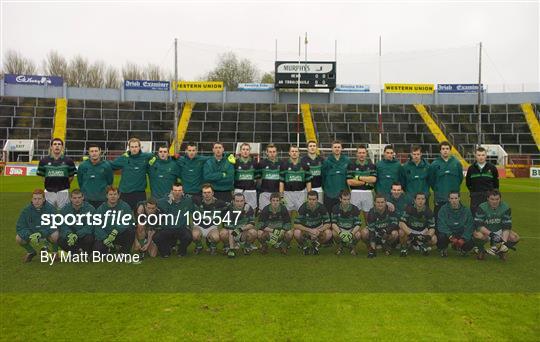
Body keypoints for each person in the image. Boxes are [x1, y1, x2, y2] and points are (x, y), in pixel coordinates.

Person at [473, 190, 519, 261]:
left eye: (497, 199)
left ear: (500, 199)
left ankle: (501, 251)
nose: (495, 202)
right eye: (492, 199)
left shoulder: (505, 207)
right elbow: (478, 225)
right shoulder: (482, 207)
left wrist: (504, 242)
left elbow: (506, 226)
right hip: (486, 231)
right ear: (488, 199)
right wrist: (492, 235)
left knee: (515, 237)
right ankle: (481, 250)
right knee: (477, 234)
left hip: (499, 230)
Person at [110, 138, 155, 210]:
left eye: (136, 147)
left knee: (140, 216)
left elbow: (158, 157)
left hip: (140, 193)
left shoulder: (146, 157)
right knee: (124, 216)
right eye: (132, 147)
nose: (134, 149)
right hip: (125, 193)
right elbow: (110, 166)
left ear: (140, 147)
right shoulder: (124, 158)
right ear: (129, 148)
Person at [16, 189, 58, 263]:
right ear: (32, 199)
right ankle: (31, 252)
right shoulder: (26, 210)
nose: (37, 201)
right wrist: (31, 235)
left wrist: (40, 233)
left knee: (56, 234)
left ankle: (55, 253)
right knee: (18, 238)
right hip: (32, 233)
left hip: (46, 234)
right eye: (35, 199)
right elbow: (20, 227)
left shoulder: (51, 209)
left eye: (39, 199)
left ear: (44, 199)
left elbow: (54, 225)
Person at [156, 182, 195, 257]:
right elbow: (151, 203)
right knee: (156, 237)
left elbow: (196, 207)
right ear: (171, 191)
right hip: (167, 228)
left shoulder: (188, 201)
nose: (177, 193)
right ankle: (166, 251)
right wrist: (141, 204)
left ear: (183, 191)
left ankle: (181, 251)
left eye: (179, 190)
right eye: (175, 190)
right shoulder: (163, 201)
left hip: (181, 228)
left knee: (189, 236)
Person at [94, 186, 135, 254]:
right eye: (110, 194)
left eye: (115, 194)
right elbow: (97, 226)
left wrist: (116, 230)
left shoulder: (125, 206)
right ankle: (111, 248)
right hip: (106, 235)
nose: (113, 197)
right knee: (97, 252)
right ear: (107, 196)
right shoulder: (101, 209)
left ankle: (124, 252)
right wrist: (105, 238)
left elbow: (129, 222)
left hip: (118, 234)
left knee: (131, 231)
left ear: (118, 195)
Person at [37, 138, 76, 209]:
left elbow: (71, 176)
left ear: (62, 147)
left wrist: (63, 184)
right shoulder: (44, 161)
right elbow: (42, 176)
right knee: (48, 214)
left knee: (64, 213)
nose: (57, 146)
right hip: (48, 192)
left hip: (63, 191)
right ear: (51, 147)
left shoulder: (69, 161)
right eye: (55, 144)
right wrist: (49, 184)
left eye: (59, 144)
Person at [191, 184, 229, 255]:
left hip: (212, 227)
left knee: (216, 237)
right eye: (205, 193)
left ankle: (213, 247)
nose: (207, 194)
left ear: (213, 193)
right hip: (198, 226)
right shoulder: (196, 200)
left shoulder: (219, 203)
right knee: (194, 235)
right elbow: (182, 198)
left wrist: (245, 206)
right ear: (202, 193)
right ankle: (199, 246)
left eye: (209, 192)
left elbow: (232, 206)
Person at [429, 141, 463, 218]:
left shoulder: (457, 163)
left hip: (454, 198)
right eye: (443, 149)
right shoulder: (434, 164)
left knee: (454, 219)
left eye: (447, 149)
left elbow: (460, 179)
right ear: (440, 150)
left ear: (450, 150)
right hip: (440, 197)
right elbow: (431, 180)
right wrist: (438, 189)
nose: (445, 150)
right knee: (439, 219)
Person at [398, 192, 437, 257]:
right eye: (418, 199)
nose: (420, 201)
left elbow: (432, 227)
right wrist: (410, 234)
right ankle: (404, 247)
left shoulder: (429, 211)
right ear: (414, 200)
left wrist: (428, 237)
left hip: (422, 231)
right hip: (410, 230)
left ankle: (421, 245)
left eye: (422, 199)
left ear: (425, 200)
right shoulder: (409, 208)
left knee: (434, 239)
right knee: (401, 232)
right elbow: (401, 223)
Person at [293, 190, 332, 255]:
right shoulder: (303, 207)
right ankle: (304, 245)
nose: (311, 201)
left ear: (317, 199)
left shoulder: (322, 207)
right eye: (310, 199)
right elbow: (296, 225)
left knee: (329, 233)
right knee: (296, 232)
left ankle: (316, 245)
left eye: (314, 199)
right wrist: (309, 230)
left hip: (318, 229)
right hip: (306, 229)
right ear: (307, 199)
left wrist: (318, 230)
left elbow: (328, 224)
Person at [436, 192, 474, 257]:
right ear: (449, 199)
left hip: (460, 233)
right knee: (440, 237)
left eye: (456, 198)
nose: (454, 200)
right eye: (452, 198)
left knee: (470, 242)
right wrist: (451, 236)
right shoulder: (443, 209)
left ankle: (463, 250)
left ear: (459, 198)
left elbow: (469, 225)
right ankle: (444, 249)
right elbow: (441, 224)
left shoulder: (466, 210)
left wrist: (463, 238)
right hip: (449, 234)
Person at [58, 189, 95, 254]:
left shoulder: (90, 208)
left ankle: (86, 252)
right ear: (70, 198)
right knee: (60, 240)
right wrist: (69, 234)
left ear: (83, 197)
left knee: (90, 238)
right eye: (74, 198)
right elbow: (62, 225)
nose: (77, 200)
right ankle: (76, 253)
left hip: (83, 236)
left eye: (79, 197)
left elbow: (90, 226)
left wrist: (77, 235)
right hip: (71, 237)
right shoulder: (64, 210)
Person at [77, 144, 113, 208]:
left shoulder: (107, 166)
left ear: (100, 151)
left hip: (102, 200)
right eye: (92, 151)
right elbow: (80, 182)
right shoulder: (82, 166)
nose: (94, 153)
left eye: (96, 151)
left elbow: (110, 183)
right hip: (86, 200)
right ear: (89, 152)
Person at [222, 192, 257, 258]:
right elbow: (229, 227)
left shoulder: (248, 208)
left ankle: (246, 246)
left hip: (243, 232)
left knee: (253, 232)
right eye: (237, 201)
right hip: (231, 232)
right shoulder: (228, 209)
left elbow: (252, 224)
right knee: (223, 233)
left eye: (241, 201)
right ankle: (229, 247)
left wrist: (240, 229)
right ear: (233, 201)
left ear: (244, 201)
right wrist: (232, 249)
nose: (239, 203)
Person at [466, 147, 499, 215]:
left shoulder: (492, 168)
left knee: (488, 218)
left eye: (483, 155)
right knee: (475, 217)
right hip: (475, 198)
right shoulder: (471, 168)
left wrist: (492, 194)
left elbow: (496, 183)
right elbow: (468, 183)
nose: (481, 157)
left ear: (486, 156)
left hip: (488, 198)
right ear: (475, 156)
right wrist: (473, 192)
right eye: (479, 155)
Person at [347, 145, 377, 220]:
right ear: (356, 154)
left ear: (366, 153)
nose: (361, 154)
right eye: (360, 152)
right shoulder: (351, 166)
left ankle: (369, 230)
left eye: (363, 152)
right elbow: (350, 182)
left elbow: (373, 179)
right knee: (354, 216)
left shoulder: (372, 165)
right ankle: (355, 231)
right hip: (355, 193)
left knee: (368, 216)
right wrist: (366, 182)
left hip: (368, 192)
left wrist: (358, 178)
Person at [365, 194, 399, 258]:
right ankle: (371, 248)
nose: (380, 204)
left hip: (387, 232)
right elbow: (371, 231)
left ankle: (387, 245)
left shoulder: (390, 209)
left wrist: (385, 230)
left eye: (382, 202)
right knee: (364, 232)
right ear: (374, 203)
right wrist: (373, 249)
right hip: (376, 232)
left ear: (386, 202)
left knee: (395, 233)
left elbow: (395, 223)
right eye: (378, 202)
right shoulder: (371, 212)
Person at [280, 145, 312, 212]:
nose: (294, 153)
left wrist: (309, 195)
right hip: (287, 193)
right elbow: (281, 182)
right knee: (287, 213)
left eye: (296, 151)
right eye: (292, 151)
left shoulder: (305, 165)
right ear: (289, 153)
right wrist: (281, 196)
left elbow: (308, 182)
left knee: (302, 213)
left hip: (301, 193)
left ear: (299, 153)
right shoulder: (284, 165)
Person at [322, 140, 351, 213]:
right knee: (329, 215)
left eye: (338, 147)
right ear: (332, 148)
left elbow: (350, 176)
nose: (337, 149)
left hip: (343, 193)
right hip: (329, 193)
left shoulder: (347, 161)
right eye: (335, 147)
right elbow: (323, 177)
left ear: (341, 148)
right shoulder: (327, 161)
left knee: (343, 215)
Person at [331, 190, 362, 256]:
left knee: (358, 234)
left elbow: (358, 224)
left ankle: (352, 246)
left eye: (348, 199)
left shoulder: (355, 208)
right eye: (344, 199)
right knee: (334, 233)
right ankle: (340, 246)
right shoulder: (335, 208)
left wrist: (351, 233)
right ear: (340, 199)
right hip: (340, 228)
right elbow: (333, 223)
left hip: (351, 229)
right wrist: (340, 233)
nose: (346, 201)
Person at [233, 143, 258, 210]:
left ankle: (251, 220)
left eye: (247, 149)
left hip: (251, 190)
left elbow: (257, 177)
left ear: (249, 151)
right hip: (238, 189)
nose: (245, 151)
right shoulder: (235, 162)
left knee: (251, 209)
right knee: (237, 209)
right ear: (240, 151)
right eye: (243, 149)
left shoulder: (254, 162)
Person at [256, 144, 281, 211]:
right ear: (266, 152)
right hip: (264, 192)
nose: (272, 154)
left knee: (276, 212)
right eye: (270, 152)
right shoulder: (261, 163)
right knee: (264, 211)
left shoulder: (281, 163)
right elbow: (258, 178)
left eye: (273, 151)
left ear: (276, 152)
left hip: (277, 192)